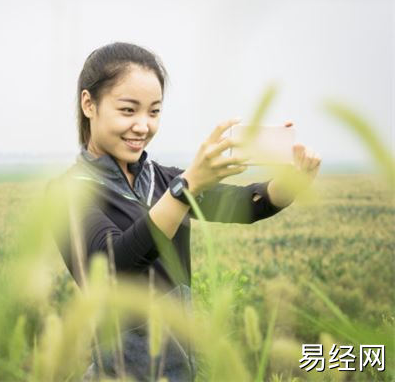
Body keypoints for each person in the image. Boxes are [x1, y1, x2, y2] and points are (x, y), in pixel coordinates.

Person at [46, 42, 321, 381]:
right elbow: (112, 268)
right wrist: (186, 189)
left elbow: (248, 204)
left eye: (154, 111)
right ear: (89, 104)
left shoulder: (165, 180)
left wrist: (290, 182)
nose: (143, 126)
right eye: (128, 111)